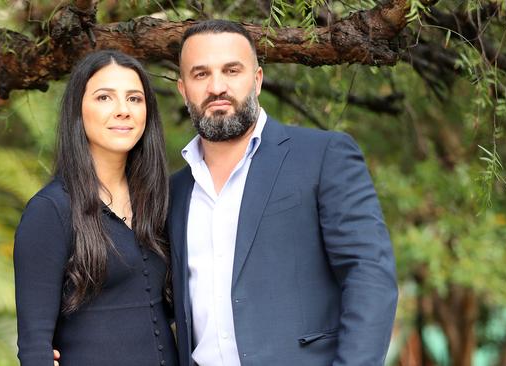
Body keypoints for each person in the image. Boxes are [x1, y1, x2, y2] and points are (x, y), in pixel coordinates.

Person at [167, 20, 398, 365]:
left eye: (231, 70)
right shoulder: (174, 192)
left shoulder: (323, 156)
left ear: (257, 80)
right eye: (201, 75)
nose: (217, 87)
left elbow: (369, 277)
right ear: (183, 89)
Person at [14, 50, 178, 366]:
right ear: (78, 110)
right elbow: (34, 346)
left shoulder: (161, 200)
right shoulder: (51, 210)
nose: (122, 111)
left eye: (134, 99)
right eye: (104, 98)